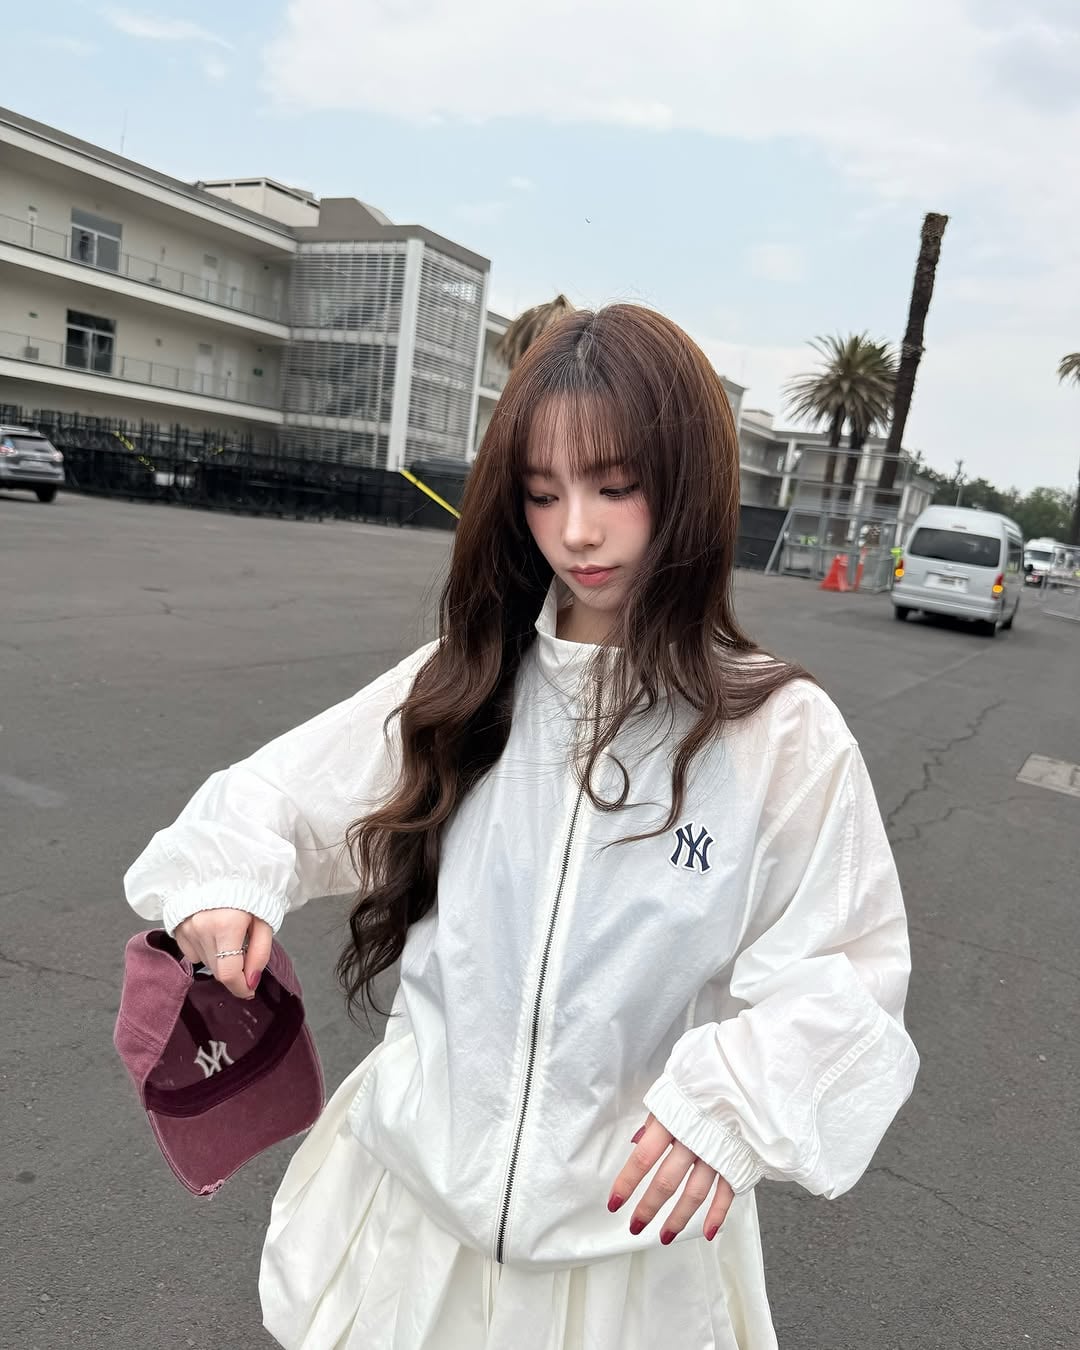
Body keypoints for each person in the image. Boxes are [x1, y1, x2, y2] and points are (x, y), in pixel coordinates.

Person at [125, 304, 919, 1350]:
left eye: (615, 486)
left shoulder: (777, 733)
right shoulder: (471, 679)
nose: (576, 530)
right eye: (543, 493)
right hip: (414, 1227)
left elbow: (851, 970)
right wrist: (226, 884)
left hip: (626, 1253)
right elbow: (272, 800)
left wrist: (731, 1102)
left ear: (687, 481)